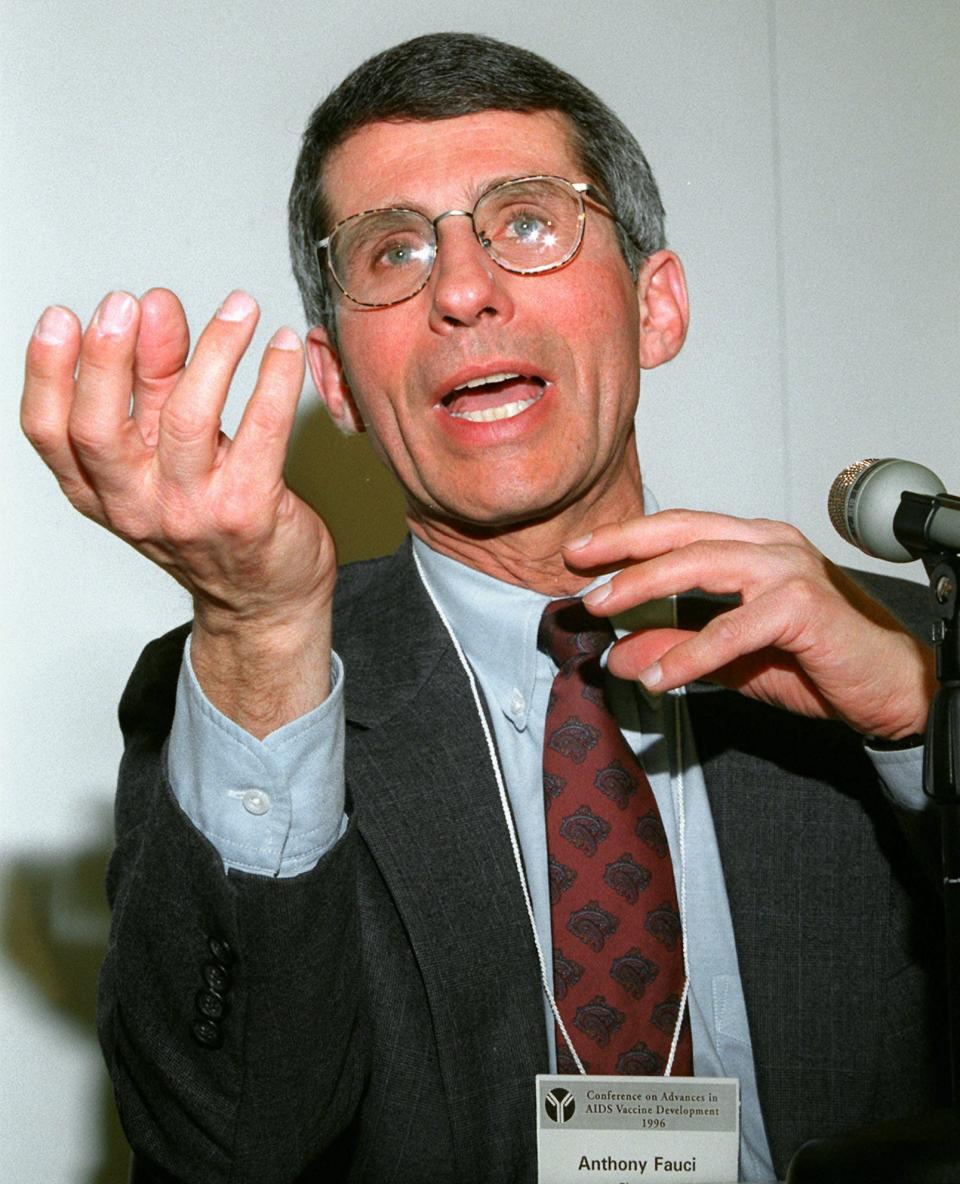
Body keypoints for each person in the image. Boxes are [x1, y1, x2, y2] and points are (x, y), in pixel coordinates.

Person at [20, 32, 945, 1184]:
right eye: (393, 250)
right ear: (339, 383)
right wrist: (260, 631)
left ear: (657, 307)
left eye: (525, 221)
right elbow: (231, 1142)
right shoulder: (242, 689)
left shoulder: (904, 656)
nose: (462, 290)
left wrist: (921, 724)